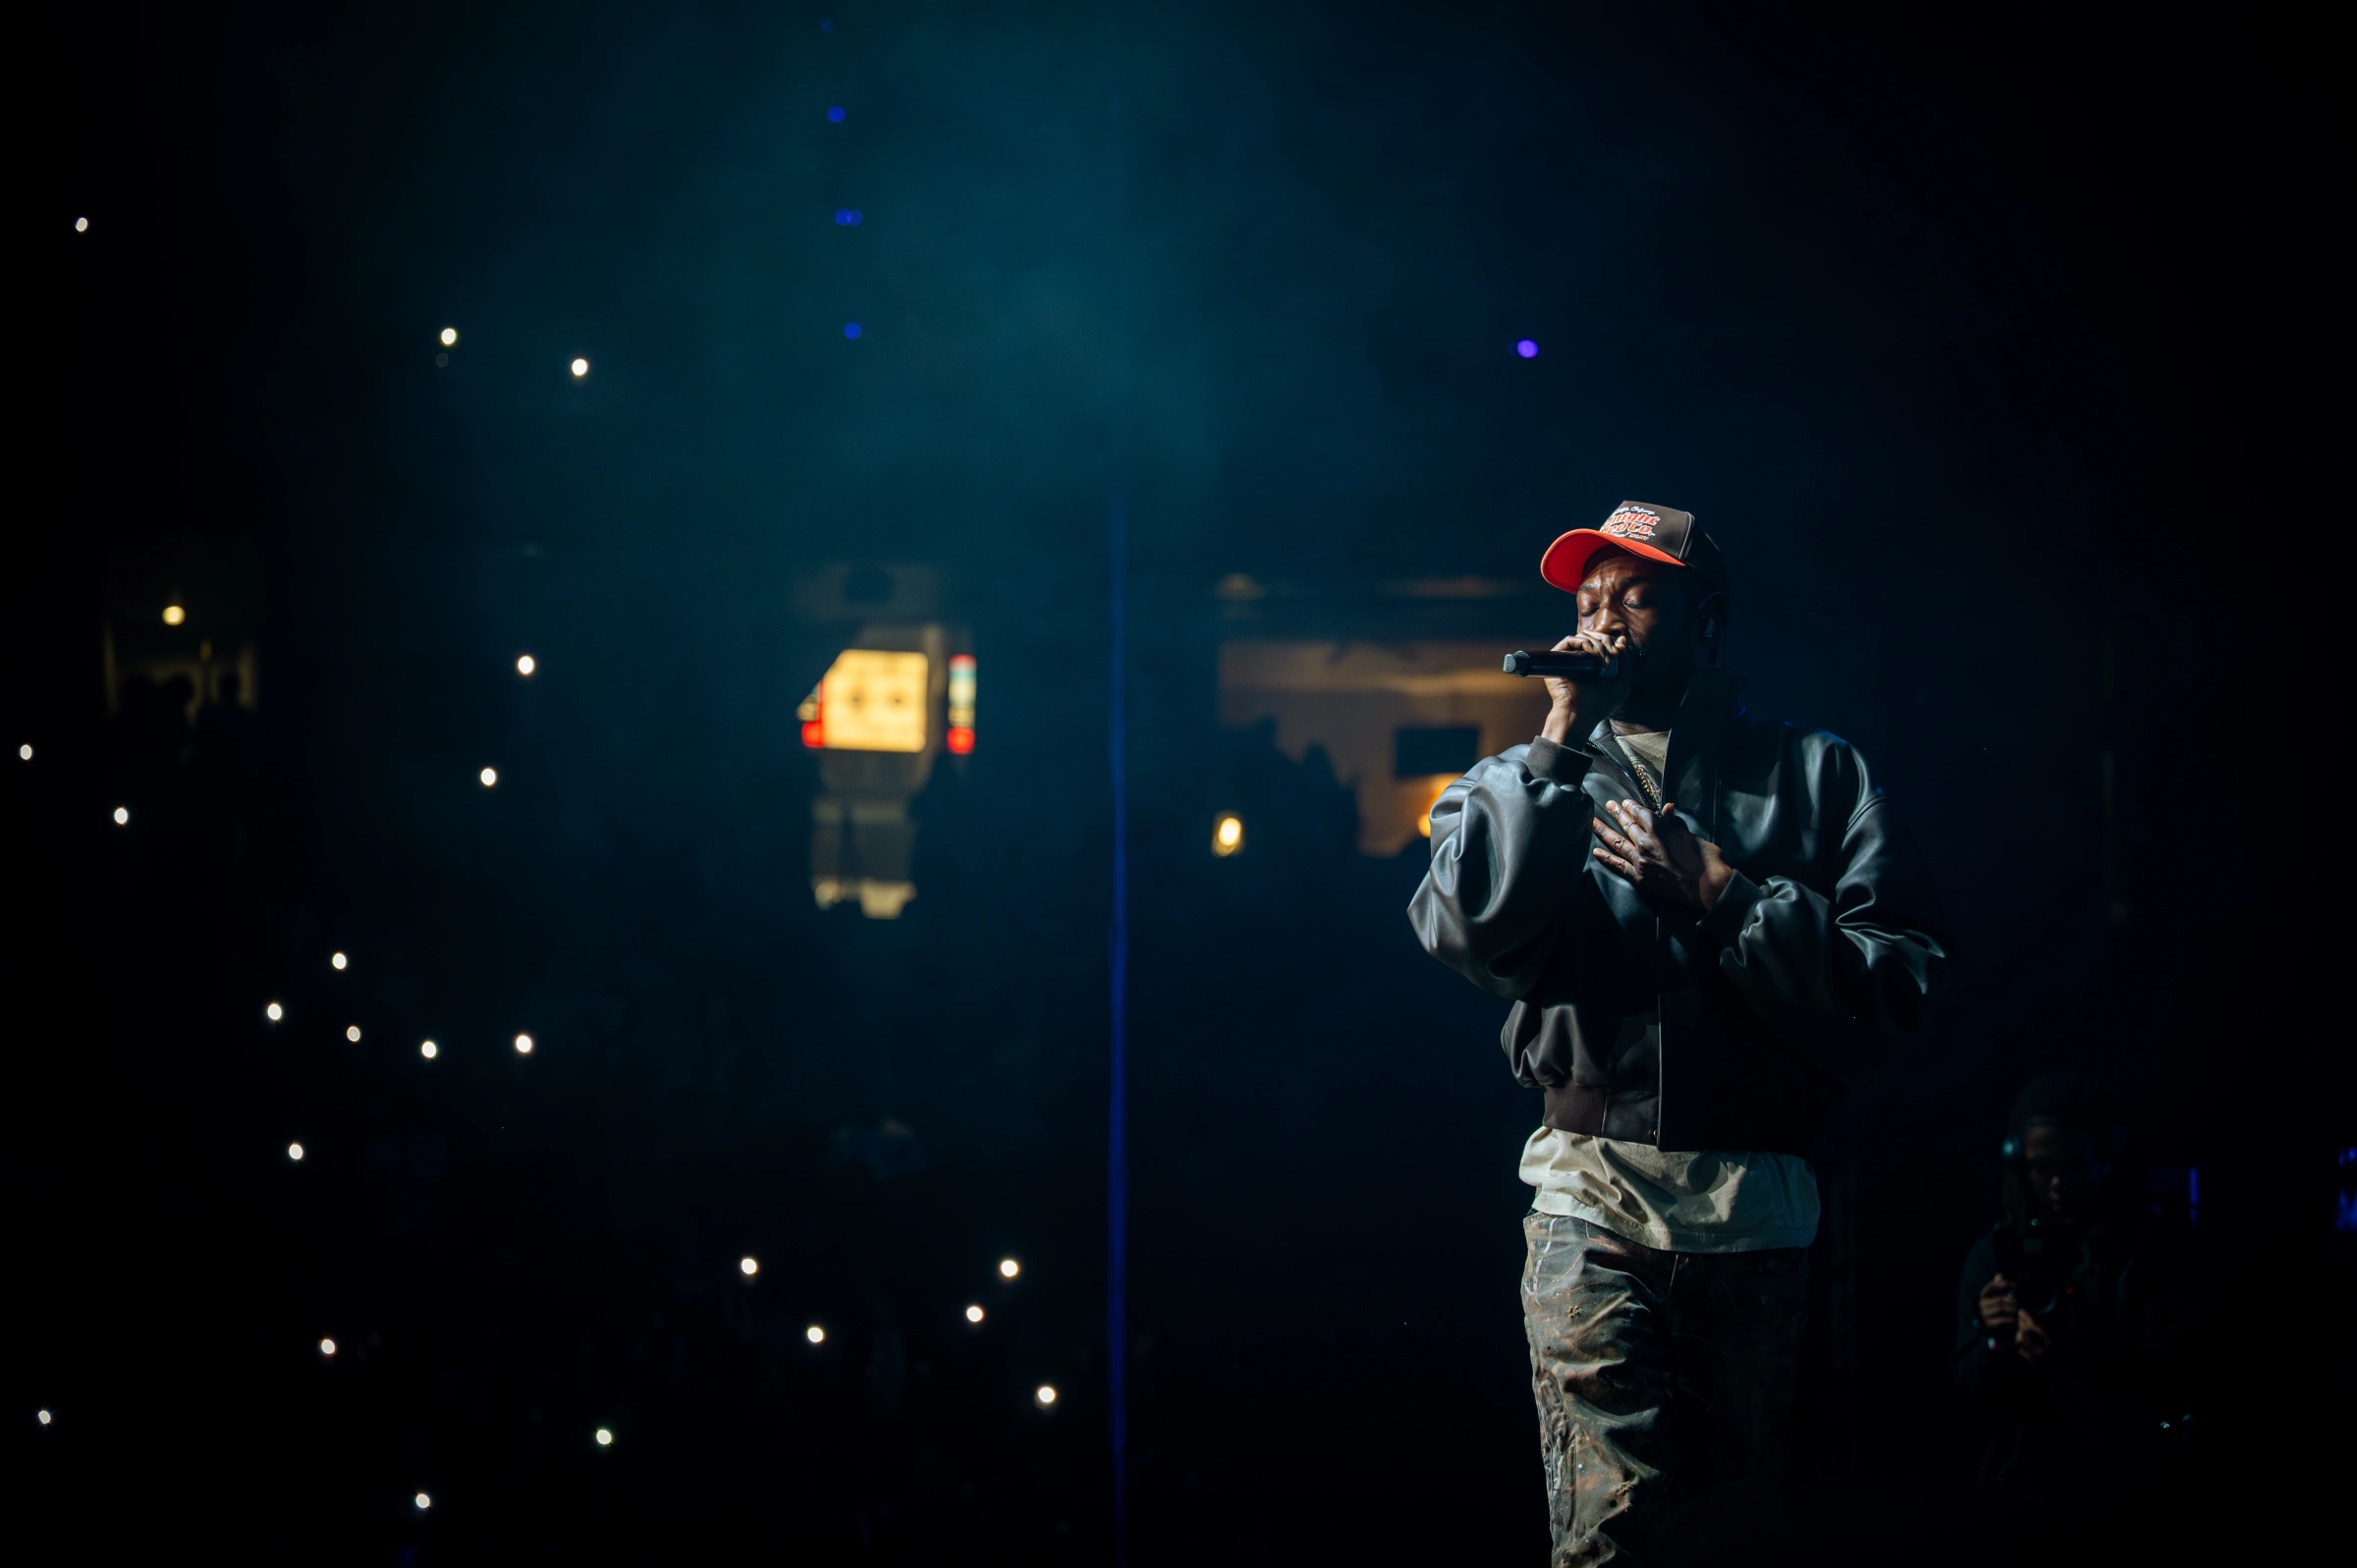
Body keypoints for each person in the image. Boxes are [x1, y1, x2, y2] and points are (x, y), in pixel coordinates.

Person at [1408, 501, 1950, 1563]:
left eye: (1637, 594)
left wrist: (1727, 898)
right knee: (1610, 1538)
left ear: (1707, 621)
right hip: (1590, 1197)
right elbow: (1466, 926)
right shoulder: (1530, 775)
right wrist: (1559, 735)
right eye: (1587, 597)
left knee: (1723, 1534)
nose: (1603, 619)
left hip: (1752, 1212)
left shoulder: (1816, 774)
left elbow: (1903, 982)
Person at [1954, 1071, 2200, 1498]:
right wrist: (1996, 1341)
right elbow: (1965, 1390)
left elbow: (2188, 1373)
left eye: (2072, 1163)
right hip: (2024, 1486)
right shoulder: (1997, 1255)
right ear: (2020, 1162)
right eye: (2042, 1167)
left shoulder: (2154, 1247)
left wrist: (2087, 1349)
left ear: (2107, 1153)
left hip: (2133, 1481)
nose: (2057, 1183)